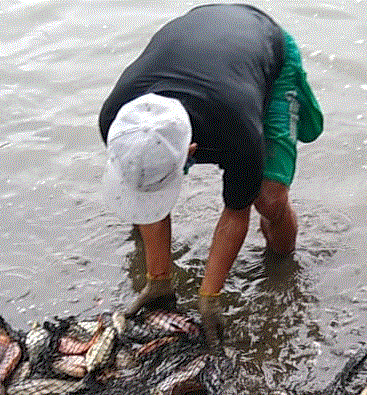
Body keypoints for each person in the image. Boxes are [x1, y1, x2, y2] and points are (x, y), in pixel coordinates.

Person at [98, 3, 322, 348]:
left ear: (191, 152)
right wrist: (158, 280)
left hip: (265, 49)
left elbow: (237, 211)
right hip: (198, 43)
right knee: (144, 179)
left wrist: (209, 295)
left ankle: (281, 268)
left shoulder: (238, 131)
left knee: (267, 198)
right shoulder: (117, 120)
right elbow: (141, 182)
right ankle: (158, 278)